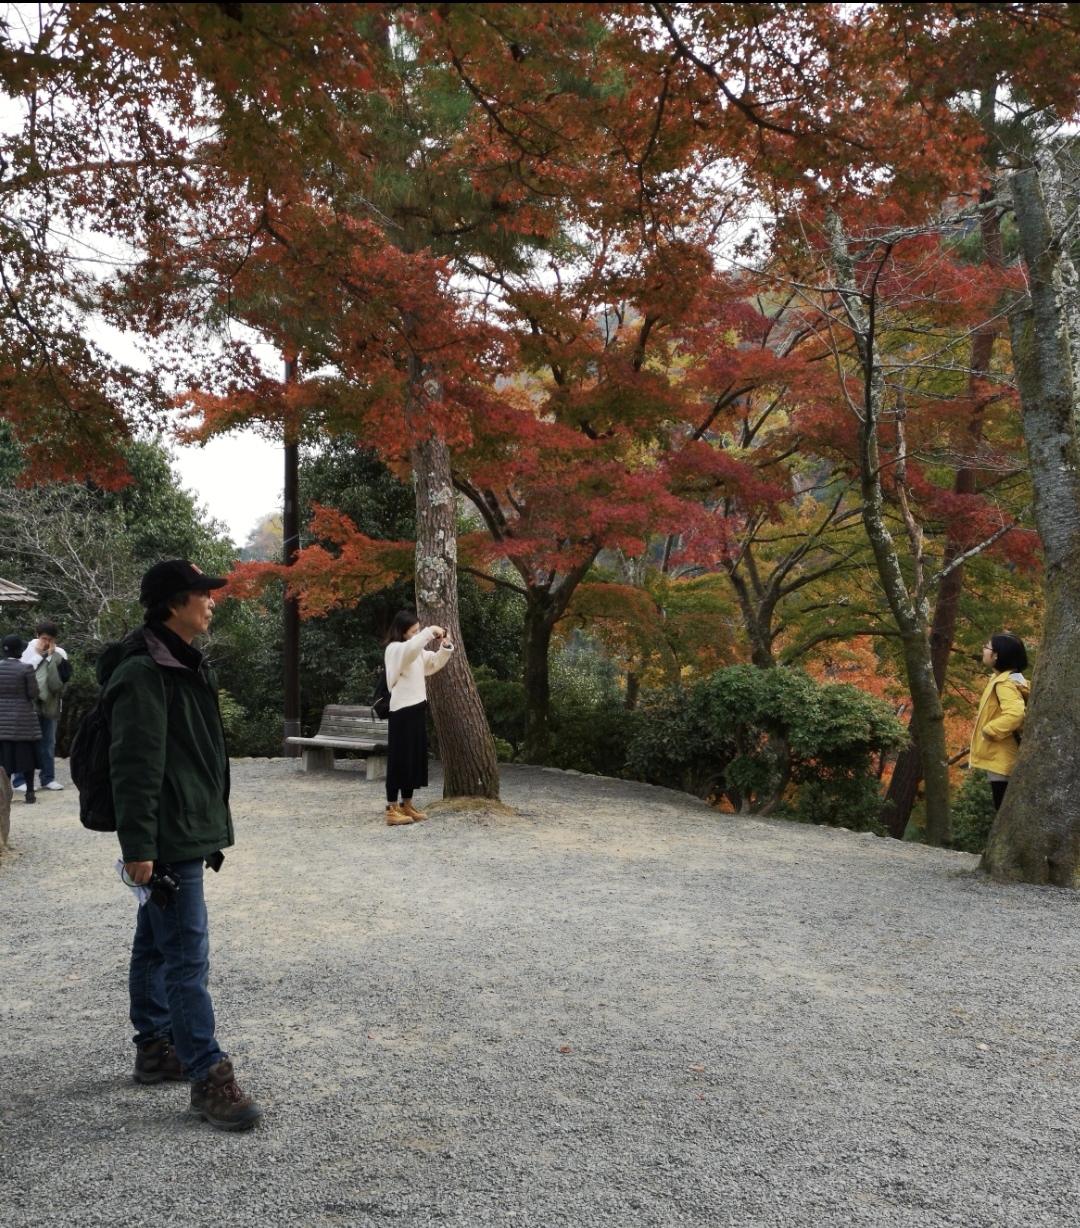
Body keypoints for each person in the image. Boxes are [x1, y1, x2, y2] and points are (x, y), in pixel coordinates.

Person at [99, 559, 261, 1131]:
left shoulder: (183, 663)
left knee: (155, 943)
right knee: (187, 958)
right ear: (173, 603)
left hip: (181, 829)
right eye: (202, 593)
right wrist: (139, 847)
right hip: (165, 838)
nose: (212, 601)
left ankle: (155, 1049)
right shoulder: (146, 672)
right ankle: (208, 1076)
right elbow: (135, 768)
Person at [382, 608, 454, 825]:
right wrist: (429, 632)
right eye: (412, 630)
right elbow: (412, 649)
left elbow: (432, 662)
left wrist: (445, 646)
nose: (416, 634)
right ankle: (391, 808)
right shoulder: (394, 649)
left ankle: (407, 804)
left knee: (412, 759)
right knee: (398, 760)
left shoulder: (414, 649)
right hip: (401, 711)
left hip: (416, 709)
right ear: (402, 631)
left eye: (417, 630)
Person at [969, 633, 1029, 811]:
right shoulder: (1004, 679)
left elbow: (1016, 714)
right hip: (1001, 755)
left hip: (1002, 755)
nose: (983, 649)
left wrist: (990, 730)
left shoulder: (1004, 684)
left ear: (996, 655)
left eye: (987, 647)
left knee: (1003, 811)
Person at [12, 620, 69, 793]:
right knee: (25, 742)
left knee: (48, 742)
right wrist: (37, 656)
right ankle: (20, 779)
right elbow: (20, 675)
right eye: (43, 638)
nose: (46, 643)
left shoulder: (60, 653)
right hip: (28, 704)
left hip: (50, 703)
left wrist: (52, 657)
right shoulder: (26, 650)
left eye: (50, 639)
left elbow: (62, 679)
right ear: (37, 635)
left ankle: (48, 778)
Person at [0, 634, 42, 804]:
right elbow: (33, 693)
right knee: (26, 758)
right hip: (23, 719)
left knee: (4, 759)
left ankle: (4, 795)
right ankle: (30, 793)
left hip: (2, 720)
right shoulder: (26, 668)